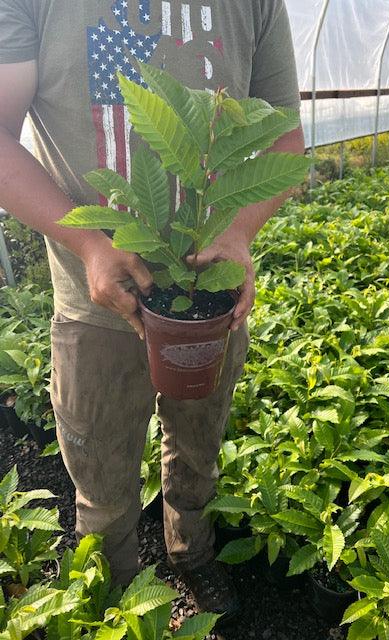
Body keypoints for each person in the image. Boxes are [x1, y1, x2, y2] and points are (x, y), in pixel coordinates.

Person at [0, 0, 304, 619]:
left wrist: (239, 232)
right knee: (101, 470)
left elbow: (286, 140)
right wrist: (89, 242)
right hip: (94, 307)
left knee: (198, 447)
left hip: (209, 302)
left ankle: (191, 556)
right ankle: (114, 595)